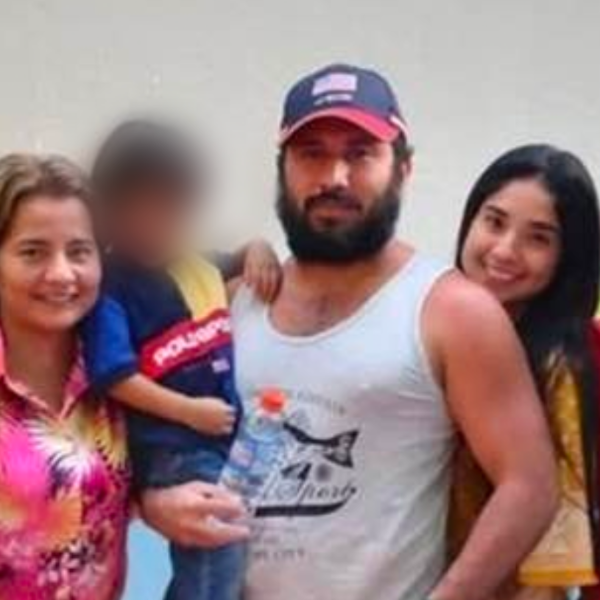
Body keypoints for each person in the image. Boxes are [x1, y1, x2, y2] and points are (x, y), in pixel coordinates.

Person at [230, 63, 559, 600]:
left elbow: (530, 485)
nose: (335, 177)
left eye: (361, 154)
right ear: (282, 168)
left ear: (403, 170)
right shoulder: (236, 301)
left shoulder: (451, 311)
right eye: (311, 153)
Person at [81, 119, 279, 600]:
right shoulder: (112, 288)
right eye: (136, 210)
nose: (153, 223)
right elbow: (115, 375)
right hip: (173, 446)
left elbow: (240, 256)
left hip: (217, 440)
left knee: (230, 542)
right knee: (216, 546)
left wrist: (258, 248)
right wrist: (187, 411)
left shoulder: (196, 263)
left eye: (169, 208)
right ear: (108, 212)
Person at [451, 144, 600, 600]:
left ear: (566, 257)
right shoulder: (423, 319)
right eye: (494, 222)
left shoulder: (574, 360)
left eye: (538, 238)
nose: (505, 251)